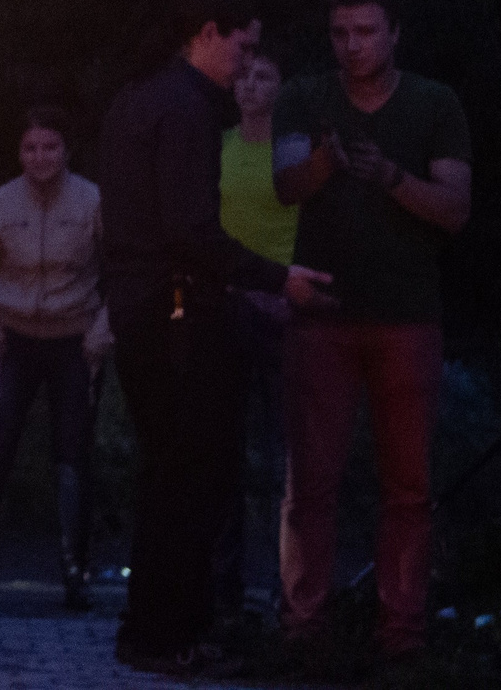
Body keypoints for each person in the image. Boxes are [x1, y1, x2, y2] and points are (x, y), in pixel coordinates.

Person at [98, 0, 334, 674]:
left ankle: (154, 628)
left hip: (141, 306)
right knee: (191, 476)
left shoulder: (137, 98)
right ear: (207, 33)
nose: (247, 60)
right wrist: (276, 278)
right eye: (243, 44)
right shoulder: (185, 108)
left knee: (167, 474)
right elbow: (189, 229)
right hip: (175, 312)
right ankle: (171, 634)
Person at [270, 0, 472, 659]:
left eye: (365, 31)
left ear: (394, 33)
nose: (352, 45)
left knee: (408, 484)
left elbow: (454, 207)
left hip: (405, 314)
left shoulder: (434, 103)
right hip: (323, 312)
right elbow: (286, 184)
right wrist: (328, 160)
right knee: (311, 480)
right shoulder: (304, 97)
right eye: (340, 33)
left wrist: (390, 176)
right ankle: (304, 627)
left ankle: (401, 633)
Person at [0, 104, 110, 607]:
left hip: (74, 339)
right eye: (30, 148)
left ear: (66, 149)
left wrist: (101, 332)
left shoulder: (92, 200)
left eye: (50, 146)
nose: (40, 157)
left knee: (73, 455)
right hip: (13, 338)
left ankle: (75, 571)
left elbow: (120, 270)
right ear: (18, 152)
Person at [216, 48, 293, 613]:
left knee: (290, 455)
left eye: (263, 76)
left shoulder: (293, 153)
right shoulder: (216, 147)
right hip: (230, 306)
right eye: (243, 75)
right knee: (226, 452)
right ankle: (226, 587)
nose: (250, 86)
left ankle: (291, 588)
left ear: (281, 86)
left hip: (290, 309)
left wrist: (291, 288)